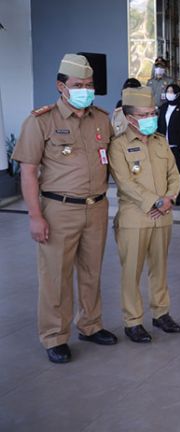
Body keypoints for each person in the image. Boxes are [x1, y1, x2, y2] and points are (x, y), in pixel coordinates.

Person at [12, 54, 118, 364]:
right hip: (59, 209)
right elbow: (28, 172)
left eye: (89, 85)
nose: (85, 90)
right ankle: (55, 336)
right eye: (78, 85)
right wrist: (35, 215)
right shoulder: (41, 121)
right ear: (61, 87)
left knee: (91, 271)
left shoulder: (101, 118)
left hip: (96, 206)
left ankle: (90, 324)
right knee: (56, 276)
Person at [109, 87, 180, 343]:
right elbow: (125, 183)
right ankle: (133, 321)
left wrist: (169, 198)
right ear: (130, 118)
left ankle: (161, 313)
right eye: (145, 114)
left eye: (153, 113)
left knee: (160, 268)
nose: (152, 117)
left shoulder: (160, 141)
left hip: (163, 216)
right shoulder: (118, 145)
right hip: (134, 218)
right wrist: (155, 201)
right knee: (132, 272)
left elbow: (174, 174)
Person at [158, 83, 180, 205]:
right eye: (168, 91)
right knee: (164, 171)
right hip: (163, 144)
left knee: (179, 171)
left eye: (171, 91)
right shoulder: (164, 107)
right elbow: (160, 125)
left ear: (177, 93)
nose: (169, 94)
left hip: (177, 145)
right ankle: (167, 195)